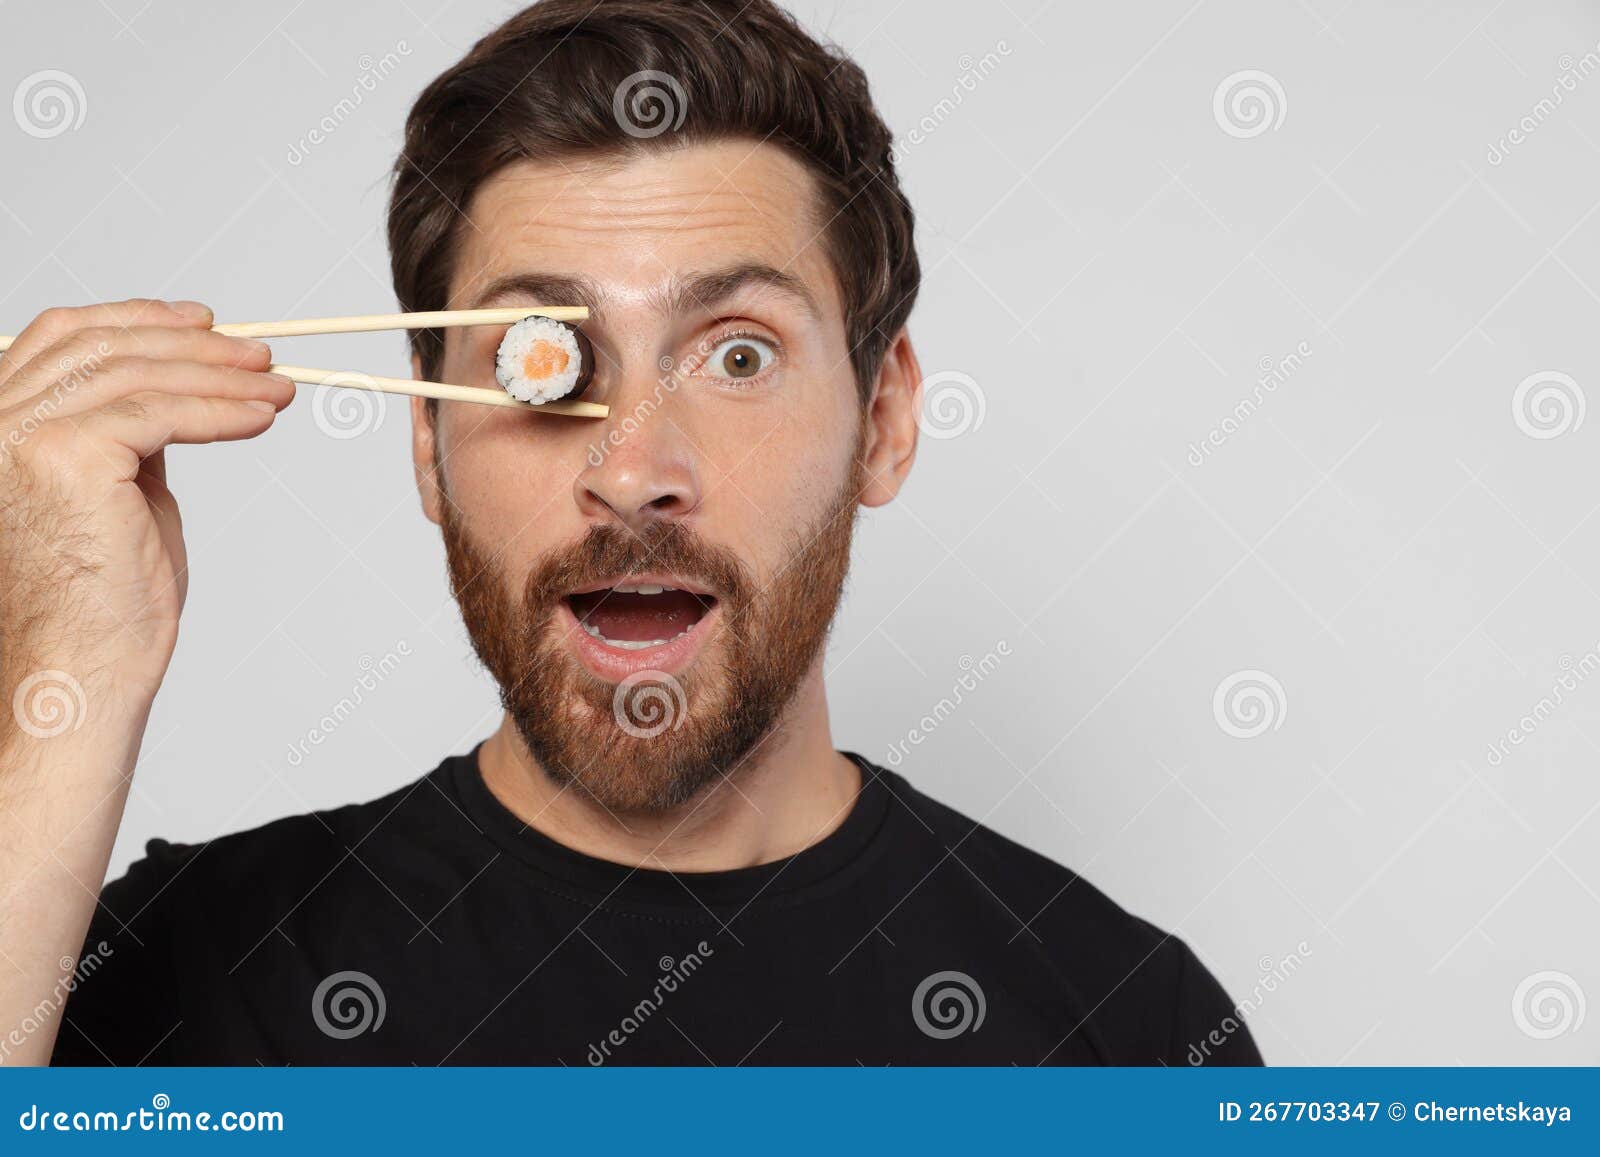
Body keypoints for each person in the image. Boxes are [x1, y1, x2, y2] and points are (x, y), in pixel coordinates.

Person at [0, 0, 1260, 1066]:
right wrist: (66, 684)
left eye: (739, 352)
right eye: (542, 359)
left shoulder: (1130, 1034)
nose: (634, 470)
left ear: (882, 422)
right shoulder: (168, 982)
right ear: (426, 447)